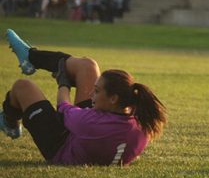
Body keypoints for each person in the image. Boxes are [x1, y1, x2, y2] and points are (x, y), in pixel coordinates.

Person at [3, 29, 167, 166]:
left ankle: (9, 121)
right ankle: (31, 57)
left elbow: (62, 106)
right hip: (87, 136)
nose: (91, 94)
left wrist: (63, 82)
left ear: (113, 99)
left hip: (60, 145)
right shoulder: (141, 121)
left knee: (22, 87)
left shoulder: (89, 122)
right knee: (88, 66)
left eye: (96, 91)